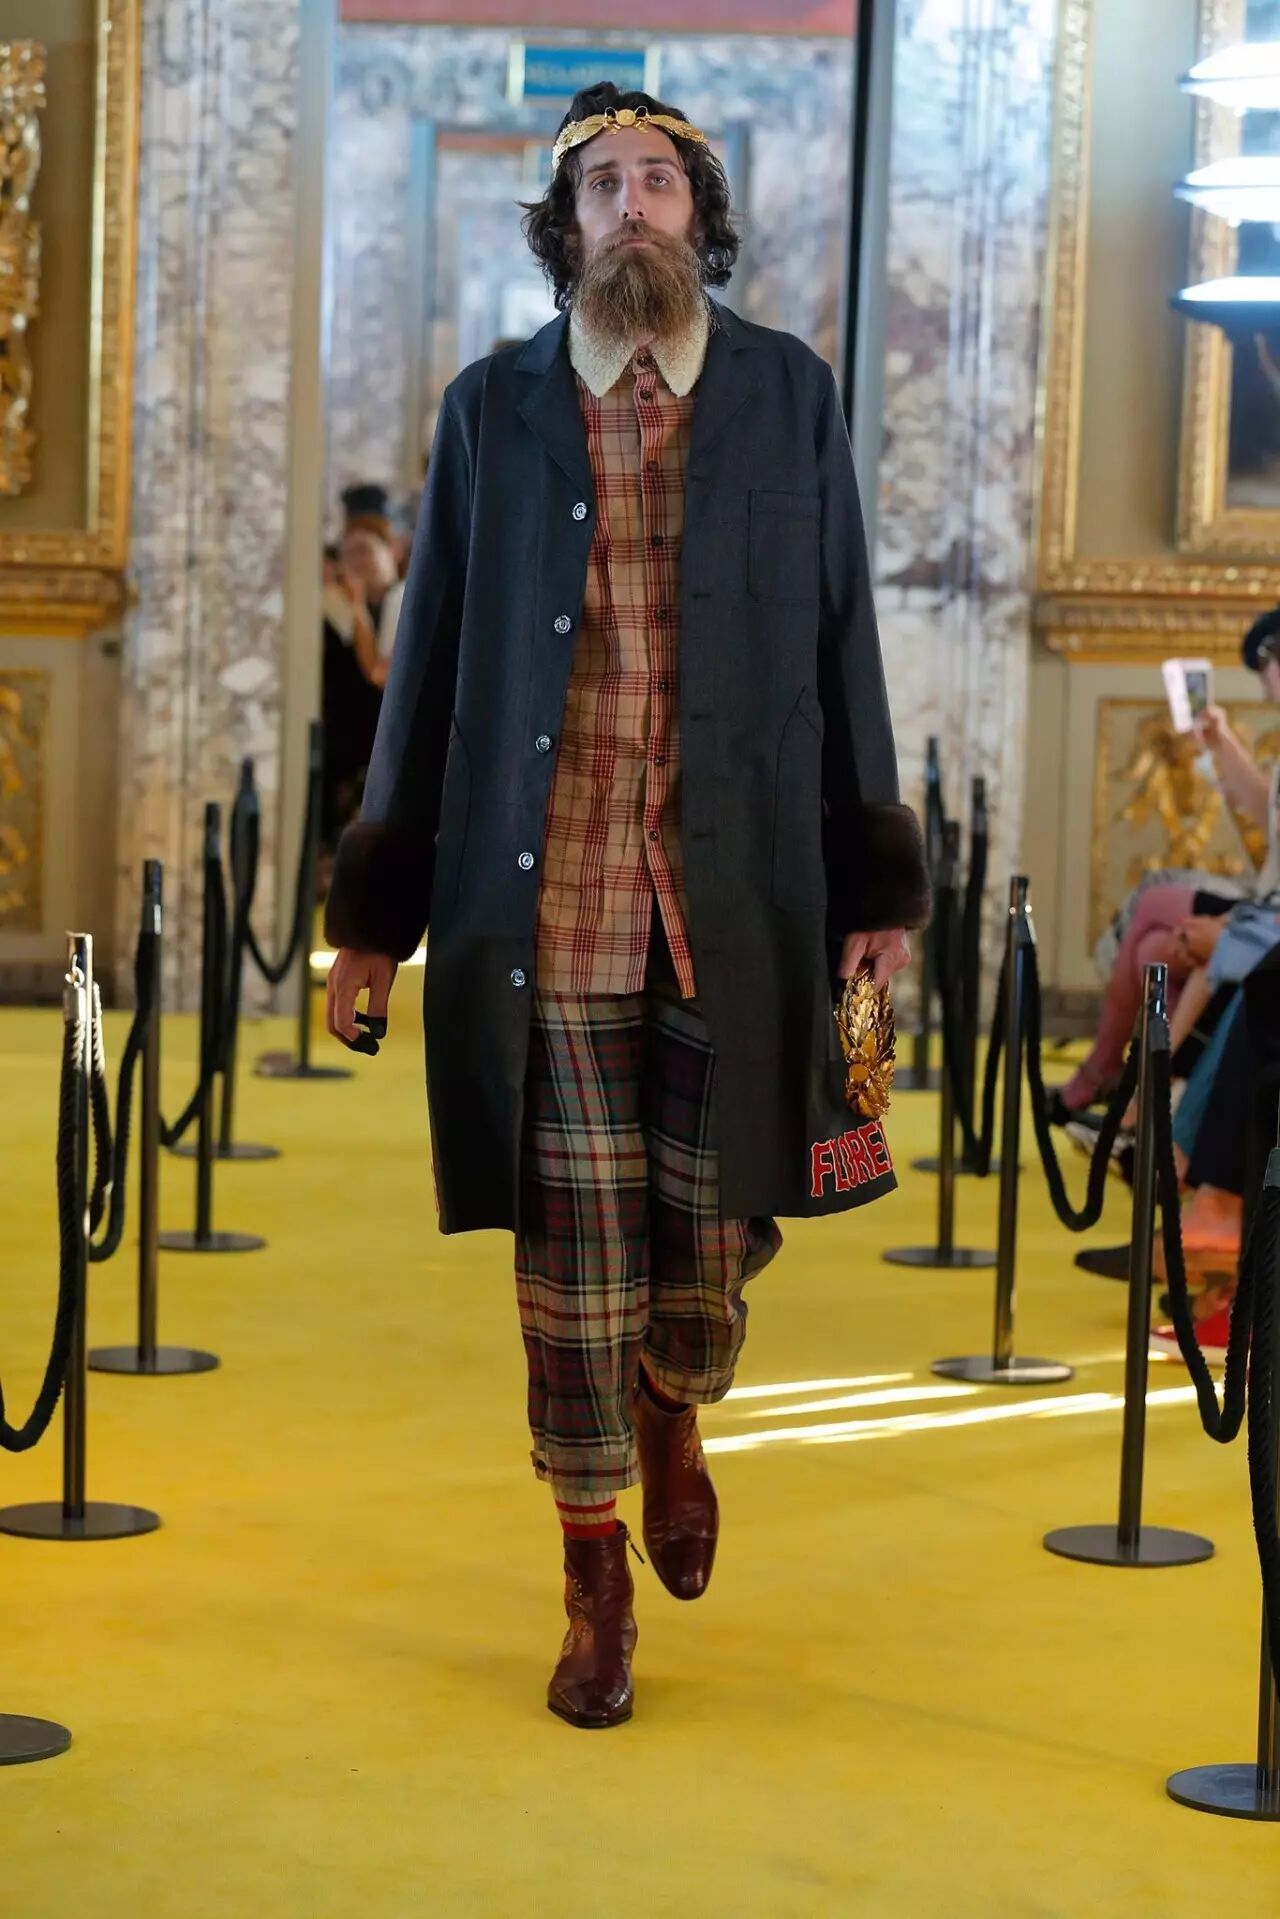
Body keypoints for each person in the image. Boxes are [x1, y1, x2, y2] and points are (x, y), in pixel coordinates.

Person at [323, 84, 929, 1731]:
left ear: (698, 217)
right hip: (549, 898)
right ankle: (590, 1564)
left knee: (713, 1240)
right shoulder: (492, 409)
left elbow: (843, 641)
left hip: (742, 893)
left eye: (660, 179)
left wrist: (877, 881)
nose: (634, 205)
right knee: (575, 1256)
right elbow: (429, 667)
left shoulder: (789, 394)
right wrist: (374, 913)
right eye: (603, 184)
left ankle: (677, 1398)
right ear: (567, 227)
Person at [1052, 607, 1280, 1122]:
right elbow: (1268, 813)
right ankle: (1151, 1108)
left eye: (1264, 670)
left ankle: (1112, 1080)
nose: (1266, 690)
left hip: (1269, 916)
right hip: (1265, 909)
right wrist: (1220, 742)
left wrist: (1231, 923)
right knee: (1151, 951)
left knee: (1155, 902)